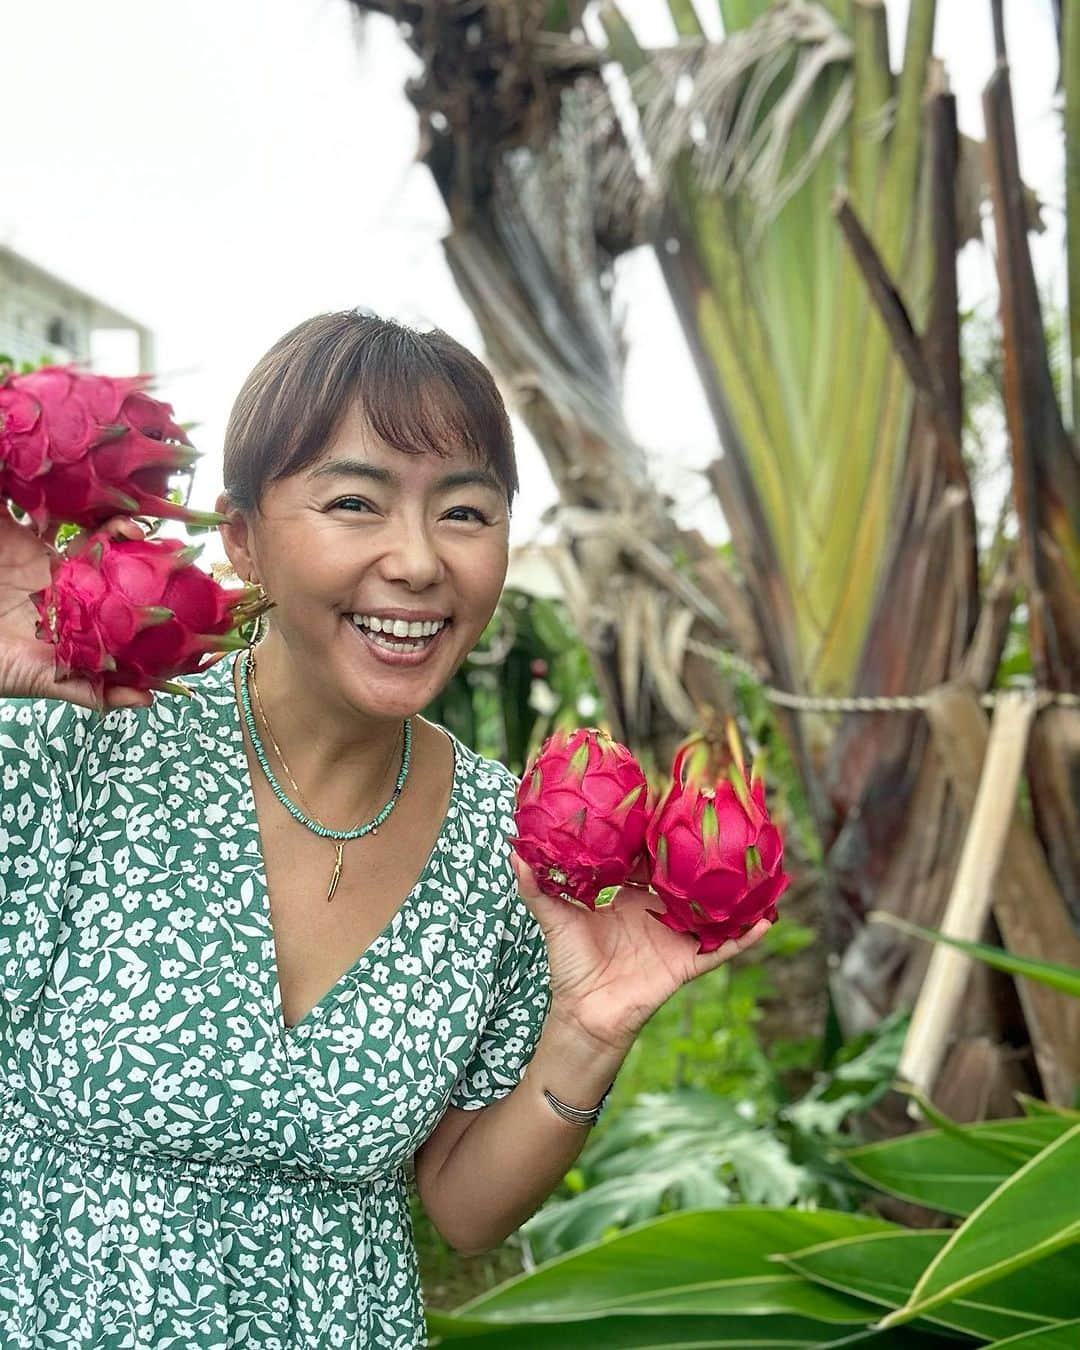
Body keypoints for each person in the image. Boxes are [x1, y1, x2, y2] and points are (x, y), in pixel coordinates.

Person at [0, 310, 772, 1348]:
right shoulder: (81, 744)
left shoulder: (518, 850)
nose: (417, 562)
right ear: (242, 537)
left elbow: (460, 1206)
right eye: (355, 501)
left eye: (464, 512)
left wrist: (591, 1033)